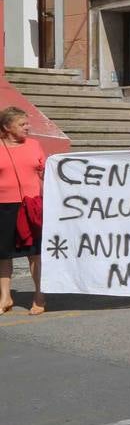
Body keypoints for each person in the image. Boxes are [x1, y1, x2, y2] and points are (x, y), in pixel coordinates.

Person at [0, 107, 46, 315]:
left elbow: (50, 173)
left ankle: (39, 296)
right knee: (3, 255)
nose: (28, 127)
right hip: (3, 207)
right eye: (22, 124)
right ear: (7, 127)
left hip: (32, 207)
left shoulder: (35, 145)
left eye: (27, 123)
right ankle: (5, 296)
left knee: (35, 254)